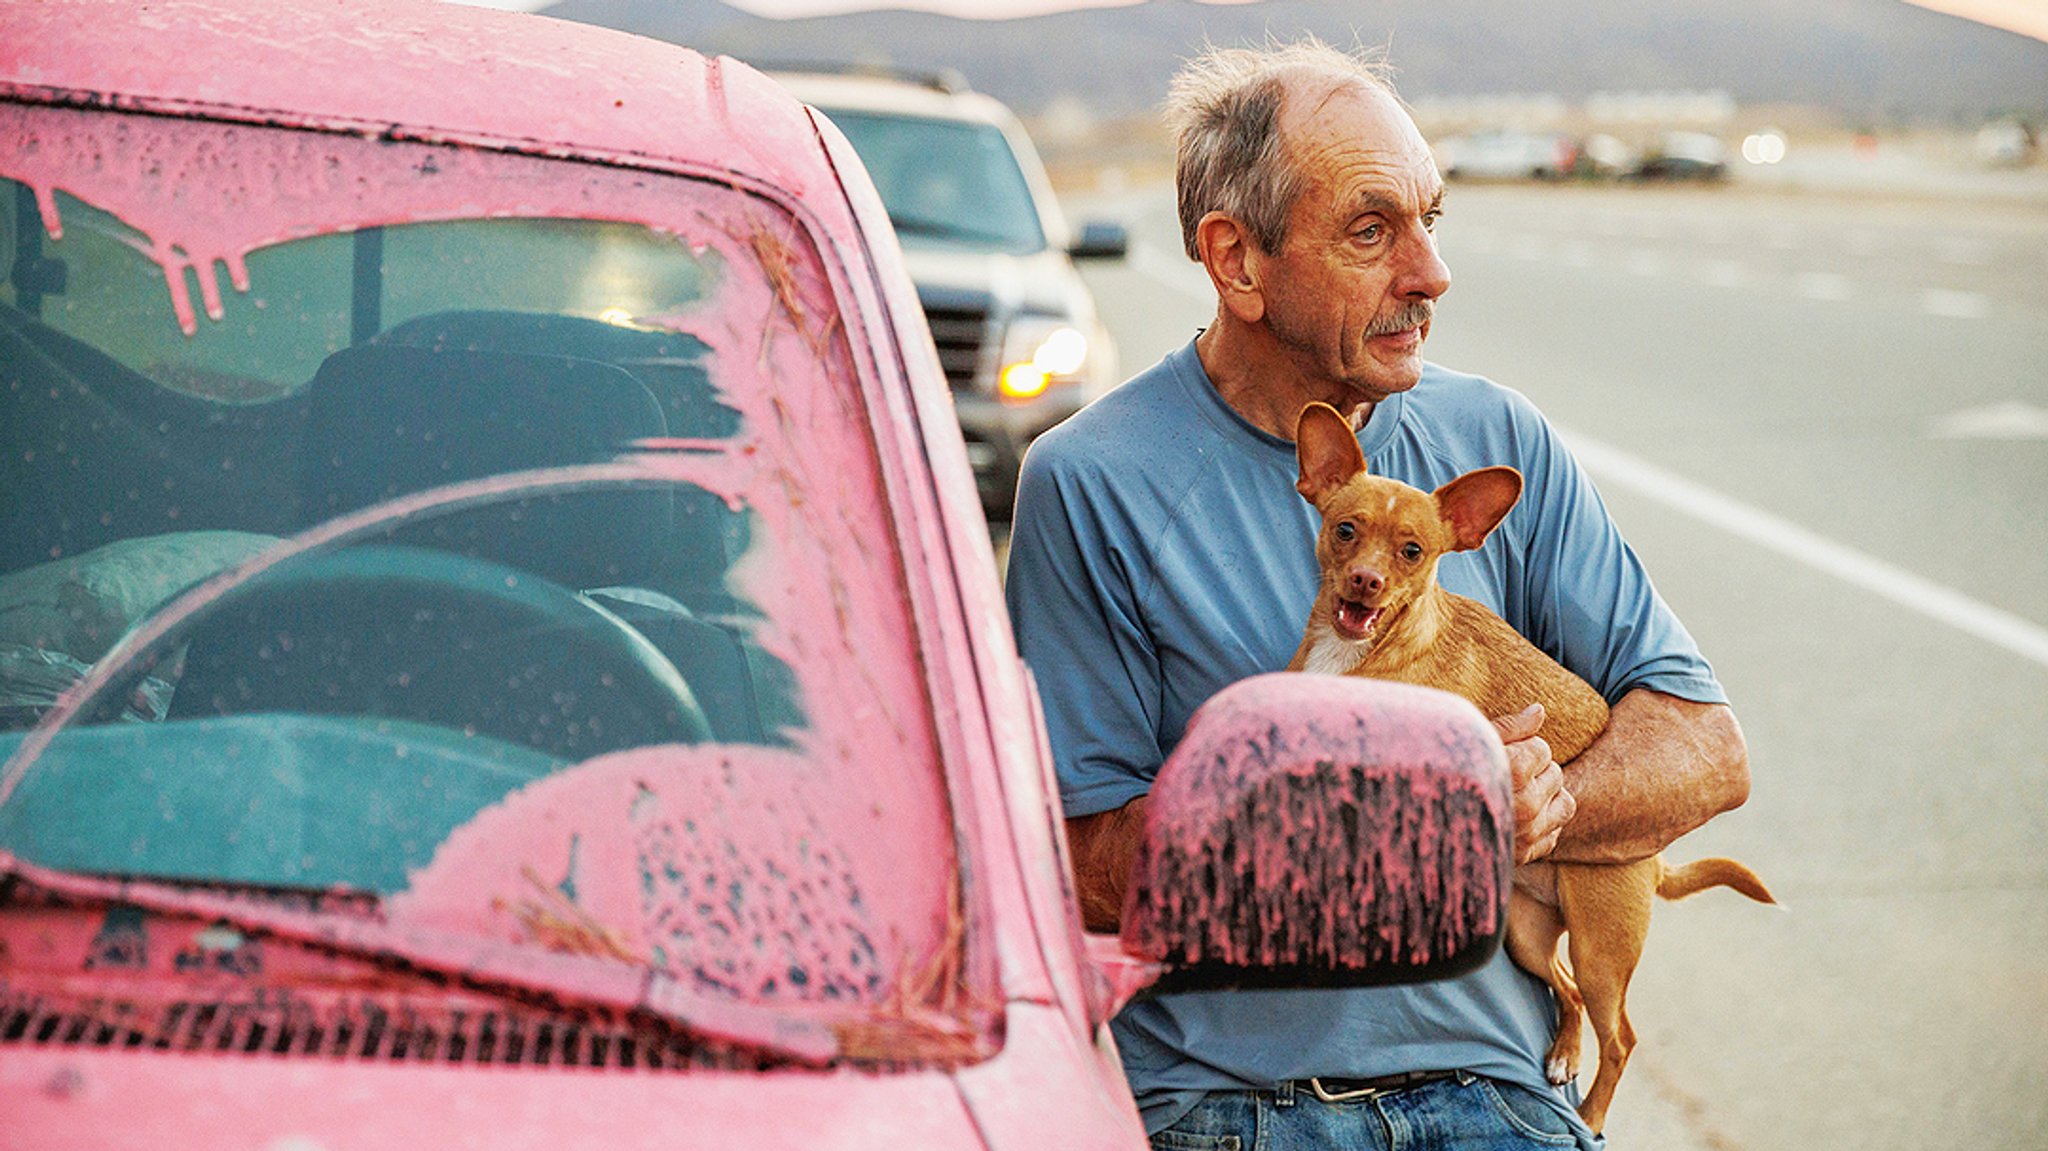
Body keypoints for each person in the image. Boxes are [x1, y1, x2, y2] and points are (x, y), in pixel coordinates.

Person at [1003, 40, 1751, 1151]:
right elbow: (1070, 866)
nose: (1428, 272)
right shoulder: (1091, 479)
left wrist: (1531, 805)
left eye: (1429, 220)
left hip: (1492, 1089)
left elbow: (1702, 746)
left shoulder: (1498, 442)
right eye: (1370, 230)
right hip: (1231, 1103)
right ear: (1236, 260)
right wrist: (1399, 813)